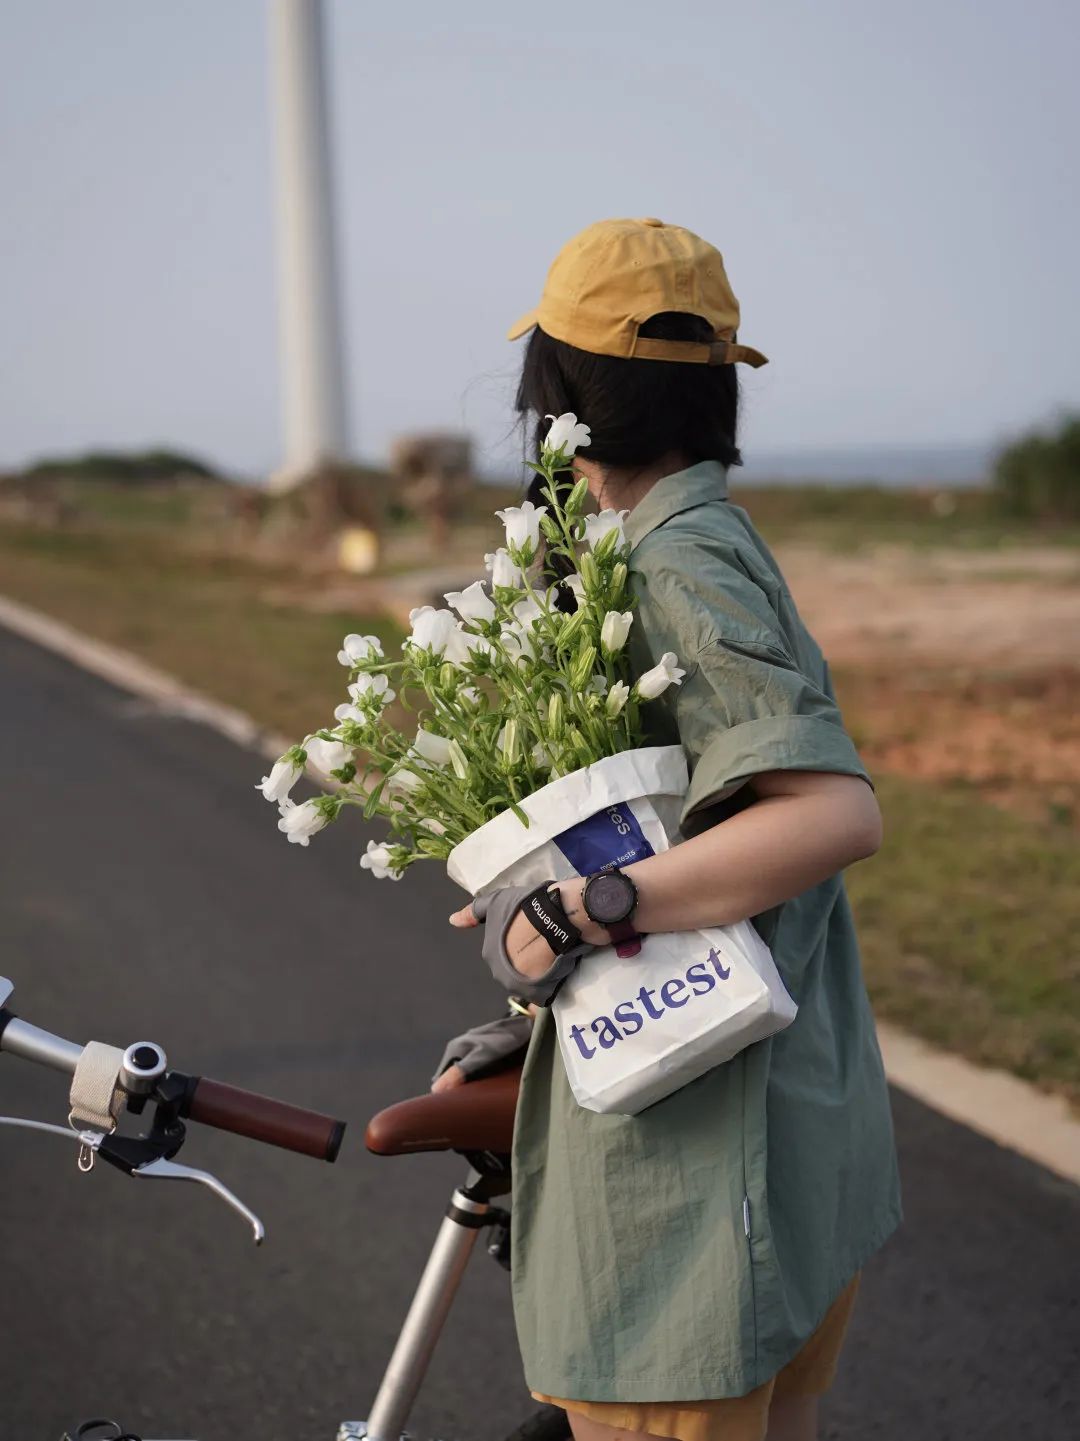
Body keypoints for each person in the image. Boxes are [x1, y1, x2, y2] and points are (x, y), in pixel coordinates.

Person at [432, 217, 902, 1441]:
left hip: (703, 1164)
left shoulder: (678, 560)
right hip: (771, 1125)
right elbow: (698, 804)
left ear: (563, 388)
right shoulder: (684, 539)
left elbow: (832, 811)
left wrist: (583, 908)